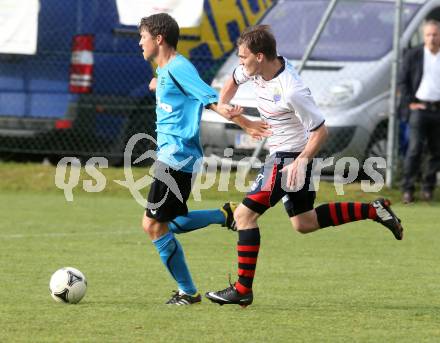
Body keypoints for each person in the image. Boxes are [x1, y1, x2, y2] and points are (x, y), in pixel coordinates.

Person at [201, 25, 404, 307]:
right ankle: (374, 210)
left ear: (260, 56)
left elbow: (321, 131)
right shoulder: (254, 68)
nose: (240, 63)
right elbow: (232, 82)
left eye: (243, 57)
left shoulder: (291, 90)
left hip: (290, 159)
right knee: (304, 223)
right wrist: (224, 104)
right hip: (286, 157)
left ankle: (242, 288)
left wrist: (301, 162)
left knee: (244, 216)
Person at [138, 13, 270, 305]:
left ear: (158, 39)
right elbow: (165, 78)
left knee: (153, 226)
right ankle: (224, 214)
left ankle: (187, 292)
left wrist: (247, 124)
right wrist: (155, 82)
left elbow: (211, 100)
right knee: (170, 222)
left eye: (143, 37)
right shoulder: (166, 68)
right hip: (174, 157)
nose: (139, 43)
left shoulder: (179, 68)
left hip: (176, 157)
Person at [399, 19, 440, 204]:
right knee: (414, 149)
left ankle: (428, 188)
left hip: (438, 110)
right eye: (428, 35)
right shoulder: (414, 55)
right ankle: (407, 189)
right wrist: (410, 103)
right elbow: (402, 82)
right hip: (420, 110)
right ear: (424, 37)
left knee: (436, 152)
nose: (432, 38)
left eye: (435, 34)